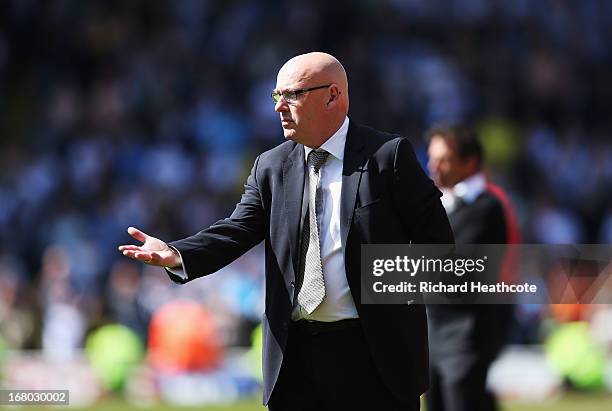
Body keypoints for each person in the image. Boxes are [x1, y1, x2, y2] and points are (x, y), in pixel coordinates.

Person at [119, 52, 453, 410]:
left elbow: (438, 245)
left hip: (376, 355)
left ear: (333, 96)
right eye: (276, 96)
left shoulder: (388, 156)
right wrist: (178, 253)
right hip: (296, 357)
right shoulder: (271, 166)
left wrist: (387, 285)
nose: (279, 107)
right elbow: (237, 230)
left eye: (292, 94)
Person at [425, 124, 514, 411]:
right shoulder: (439, 204)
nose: (433, 166)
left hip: (467, 332)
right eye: (432, 158)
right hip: (433, 332)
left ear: (469, 162)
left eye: (443, 159)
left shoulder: (486, 207)